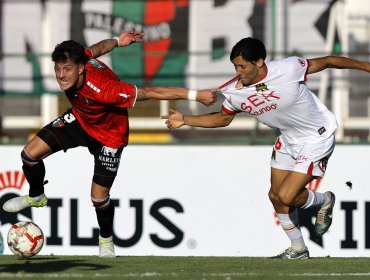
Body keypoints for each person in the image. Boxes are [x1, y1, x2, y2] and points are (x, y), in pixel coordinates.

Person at [2, 31, 216, 258]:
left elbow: (150, 91)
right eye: (58, 69)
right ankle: (36, 196)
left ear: (81, 68)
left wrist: (196, 95)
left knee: (98, 197)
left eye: (67, 70)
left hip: (109, 137)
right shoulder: (79, 57)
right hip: (81, 120)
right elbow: (99, 48)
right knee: (29, 155)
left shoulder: (105, 90)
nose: (61, 75)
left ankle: (106, 239)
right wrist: (117, 41)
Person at [163, 37, 370, 259]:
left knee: (287, 196)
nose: (238, 71)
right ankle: (298, 248)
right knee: (275, 196)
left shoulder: (288, 68)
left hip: (317, 136)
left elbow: (328, 61)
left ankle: (324, 200)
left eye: (242, 66)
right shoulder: (234, 92)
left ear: (260, 62)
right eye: (235, 66)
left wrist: (366, 67)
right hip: (288, 139)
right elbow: (222, 120)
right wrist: (185, 119)